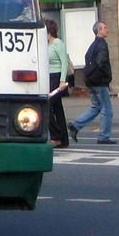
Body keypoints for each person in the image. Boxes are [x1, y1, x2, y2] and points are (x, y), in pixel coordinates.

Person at [69, 21, 116, 144]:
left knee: (96, 107)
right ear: (98, 31)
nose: (107, 29)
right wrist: (107, 78)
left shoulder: (93, 45)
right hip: (100, 82)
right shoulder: (101, 45)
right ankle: (103, 136)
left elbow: (88, 59)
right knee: (107, 109)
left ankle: (75, 125)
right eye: (104, 28)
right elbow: (102, 63)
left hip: (91, 81)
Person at [45, 19, 70, 148]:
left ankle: (56, 136)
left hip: (57, 78)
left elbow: (64, 62)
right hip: (48, 77)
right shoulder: (45, 45)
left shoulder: (57, 43)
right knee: (58, 109)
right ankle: (63, 139)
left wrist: (62, 81)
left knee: (46, 106)